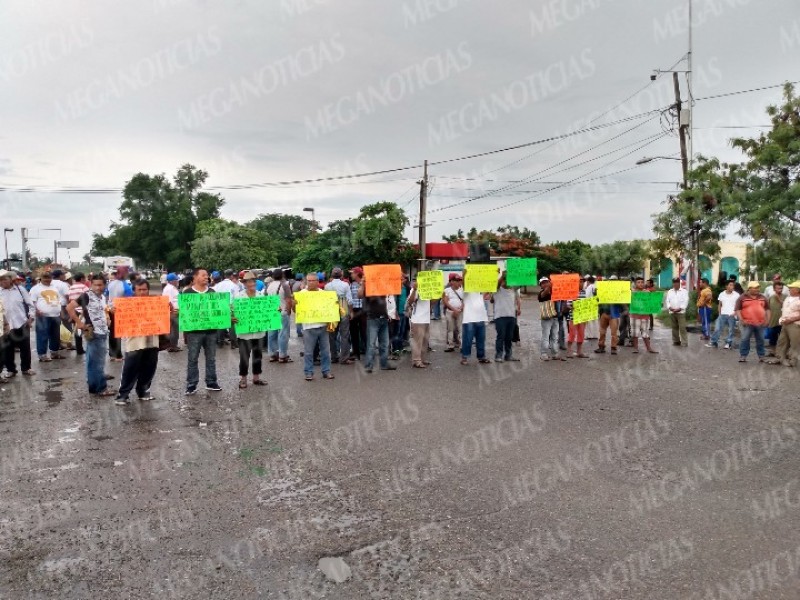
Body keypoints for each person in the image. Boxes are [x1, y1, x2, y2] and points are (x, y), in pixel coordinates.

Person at [66, 274, 114, 397]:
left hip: (102, 331)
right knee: (97, 363)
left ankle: (93, 384)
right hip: (94, 332)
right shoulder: (86, 295)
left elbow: (102, 310)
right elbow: (69, 308)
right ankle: (100, 388)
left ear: (105, 285)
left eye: (101, 285)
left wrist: (107, 317)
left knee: (92, 361)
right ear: (91, 285)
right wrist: (79, 323)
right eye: (95, 285)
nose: (98, 287)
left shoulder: (102, 297)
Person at [114, 279, 160, 406]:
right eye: (139, 290)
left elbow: (164, 317)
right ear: (134, 291)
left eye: (145, 289)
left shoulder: (156, 303)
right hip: (135, 343)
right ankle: (123, 395)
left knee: (149, 368)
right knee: (130, 369)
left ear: (148, 290)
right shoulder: (127, 304)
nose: (142, 292)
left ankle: (143, 391)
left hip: (152, 341)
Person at [182, 268, 222, 395]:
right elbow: (185, 314)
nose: (206, 277)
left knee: (211, 358)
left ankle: (211, 382)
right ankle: (191, 384)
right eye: (203, 275)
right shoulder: (187, 293)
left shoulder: (212, 292)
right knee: (192, 358)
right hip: (194, 332)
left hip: (211, 331)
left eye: (207, 275)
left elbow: (218, 310)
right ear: (195, 277)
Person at [233, 271, 268, 388]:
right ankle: (243, 379)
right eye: (249, 282)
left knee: (258, 355)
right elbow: (232, 311)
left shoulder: (261, 296)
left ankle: (256, 378)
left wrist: (274, 310)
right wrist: (232, 317)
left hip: (259, 332)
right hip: (244, 333)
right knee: (244, 356)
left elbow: (266, 311)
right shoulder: (238, 297)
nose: (251, 283)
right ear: (244, 284)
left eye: (253, 281)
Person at [298, 272, 335, 381]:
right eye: (308, 280)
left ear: (318, 282)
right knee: (308, 352)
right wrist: (294, 304)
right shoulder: (302, 294)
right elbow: (296, 311)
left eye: (313, 280)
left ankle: (326, 371)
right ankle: (308, 372)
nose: (310, 282)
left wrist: (334, 304)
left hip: (323, 326)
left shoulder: (324, 293)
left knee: (326, 352)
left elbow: (329, 309)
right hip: (308, 327)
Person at [358, 273, 397, 374]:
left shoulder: (382, 288)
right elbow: (359, 295)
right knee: (371, 344)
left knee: (384, 343)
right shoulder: (368, 287)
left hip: (384, 318)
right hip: (373, 318)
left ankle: (384, 364)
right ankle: (368, 366)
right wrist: (363, 284)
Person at [0, 270, 35, 377]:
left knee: (25, 347)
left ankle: (26, 368)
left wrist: (31, 318)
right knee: (7, 349)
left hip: (22, 323)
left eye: (4, 279)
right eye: (0, 280)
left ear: (11, 280)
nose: (2, 282)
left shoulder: (21, 290)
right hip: (6, 326)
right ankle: (11, 370)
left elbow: (30, 305)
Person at [30, 271, 66, 361]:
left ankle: (54, 352)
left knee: (56, 335)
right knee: (42, 335)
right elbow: (32, 302)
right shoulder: (35, 289)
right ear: (41, 278)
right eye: (45, 278)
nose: (47, 280)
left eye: (49, 278)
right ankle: (42, 355)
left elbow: (59, 301)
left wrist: (61, 313)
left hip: (56, 315)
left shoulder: (54, 288)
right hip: (43, 316)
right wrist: (36, 311)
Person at [735, 281, 770, 363]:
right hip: (747, 323)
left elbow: (768, 309)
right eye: (755, 288)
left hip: (760, 323)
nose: (757, 289)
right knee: (745, 339)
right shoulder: (742, 297)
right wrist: (742, 320)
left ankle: (761, 356)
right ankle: (743, 356)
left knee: (761, 340)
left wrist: (767, 320)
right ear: (749, 288)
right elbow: (737, 310)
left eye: (758, 287)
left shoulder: (763, 297)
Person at [325, 267, 354, 365]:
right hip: (343, 309)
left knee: (332, 335)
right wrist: (351, 312)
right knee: (344, 335)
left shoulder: (327, 286)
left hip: (331, 311)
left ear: (332, 275)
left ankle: (334, 357)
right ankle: (344, 358)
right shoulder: (345, 285)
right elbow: (349, 300)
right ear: (341, 275)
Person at [768, 280, 800, 367]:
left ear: (797, 290)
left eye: (791, 288)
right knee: (781, 341)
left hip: (795, 324)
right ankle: (779, 358)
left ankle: (793, 360)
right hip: (785, 323)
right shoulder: (788, 298)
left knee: (794, 343)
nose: (789, 289)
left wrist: (792, 319)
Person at [266, 268, 295, 363]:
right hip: (282, 312)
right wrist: (289, 310)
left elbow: (266, 299)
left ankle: (272, 354)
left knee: (271, 334)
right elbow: (288, 300)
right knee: (283, 334)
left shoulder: (269, 285)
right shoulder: (285, 285)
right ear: (282, 275)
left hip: (272, 312)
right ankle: (282, 355)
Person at [492, 272, 521, 362]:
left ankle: (508, 355)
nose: (507, 282)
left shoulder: (513, 290)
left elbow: (524, 282)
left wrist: (532, 274)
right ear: (502, 281)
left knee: (509, 337)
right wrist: (502, 276)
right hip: (500, 317)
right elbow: (497, 284)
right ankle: (498, 355)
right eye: (505, 280)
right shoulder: (497, 290)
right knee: (501, 336)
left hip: (511, 316)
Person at [460, 285, 491, 366]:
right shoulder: (466, 288)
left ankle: (481, 357)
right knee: (467, 339)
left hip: (481, 317)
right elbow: (464, 281)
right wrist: (466, 272)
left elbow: (490, 287)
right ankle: (464, 357)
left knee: (481, 339)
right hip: (469, 318)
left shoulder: (481, 289)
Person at [706, 281, 740, 350]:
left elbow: (739, 305)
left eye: (733, 285)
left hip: (732, 314)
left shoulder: (737, 295)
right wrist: (719, 313)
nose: (732, 287)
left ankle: (728, 343)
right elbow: (720, 304)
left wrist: (735, 313)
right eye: (730, 285)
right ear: (726, 286)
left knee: (730, 330)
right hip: (723, 314)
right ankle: (713, 342)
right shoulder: (722, 294)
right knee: (717, 328)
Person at [630, 276, 659, 355]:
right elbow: (628, 303)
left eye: (642, 282)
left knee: (645, 333)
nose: (640, 284)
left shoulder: (647, 292)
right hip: (634, 316)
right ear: (635, 284)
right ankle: (636, 348)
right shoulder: (632, 293)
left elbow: (652, 303)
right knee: (635, 333)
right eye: (638, 282)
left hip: (645, 316)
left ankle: (649, 348)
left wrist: (657, 303)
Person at [538, 277, 564, 361]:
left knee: (554, 337)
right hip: (546, 318)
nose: (545, 284)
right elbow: (545, 292)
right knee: (546, 336)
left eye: (547, 282)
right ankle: (543, 353)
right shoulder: (541, 294)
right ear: (541, 286)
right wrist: (550, 285)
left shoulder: (555, 292)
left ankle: (555, 353)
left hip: (555, 317)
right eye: (543, 283)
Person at [407, 277, 431, 368]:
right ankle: (416, 360)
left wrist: (437, 294)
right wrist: (415, 289)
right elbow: (410, 301)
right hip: (417, 319)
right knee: (417, 341)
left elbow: (431, 302)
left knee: (425, 340)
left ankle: (422, 359)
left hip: (426, 318)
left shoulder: (429, 289)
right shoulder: (414, 289)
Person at [214, 269, 240, 349]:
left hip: (220, 307)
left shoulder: (217, 285)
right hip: (231, 306)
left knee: (221, 323)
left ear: (224, 276)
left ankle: (220, 342)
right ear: (232, 276)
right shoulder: (234, 286)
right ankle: (233, 343)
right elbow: (237, 298)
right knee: (232, 324)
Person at [106, 268, 127, 361]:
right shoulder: (125, 285)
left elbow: (106, 295)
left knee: (112, 333)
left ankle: (112, 354)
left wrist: (109, 307)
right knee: (118, 333)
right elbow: (130, 300)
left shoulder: (110, 284)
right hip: (120, 312)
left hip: (111, 310)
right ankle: (118, 355)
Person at [442, 273, 464, 352]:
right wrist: (454, 310)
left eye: (459, 280)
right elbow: (445, 301)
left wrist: (459, 310)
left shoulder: (462, 290)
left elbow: (465, 301)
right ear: (451, 281)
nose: (459, 282)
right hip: (450, 311)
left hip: (460, 312)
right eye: (457, 280)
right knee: (450, 329)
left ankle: (462, 345)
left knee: (461, 328)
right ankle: (450, 345)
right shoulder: (446, 290)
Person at [565, 285, 588, 358]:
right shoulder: (571, 292)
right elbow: (568, 304)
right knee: (572, 334)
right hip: (573, 317)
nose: (581, 283)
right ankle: (569, 351)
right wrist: (572, 307)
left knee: (581, 334)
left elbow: (588, 303)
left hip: (583, 316)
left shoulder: (585, 292)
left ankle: (579, 352)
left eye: (582, 281)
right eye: (579, 281)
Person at [665, 277, 689, 347]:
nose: (675, 284)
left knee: (682, 327)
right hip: (672, 312)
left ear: (679, 283)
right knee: (674, 327)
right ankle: (676, 341)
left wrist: (680, 308)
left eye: (677, 282)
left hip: (681, 312)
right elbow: (667, 301)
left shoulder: (684, 291)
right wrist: (670, 307)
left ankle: (684, 342)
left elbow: (686, 301)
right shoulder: (670, 291)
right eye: (674, 282)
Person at [349, 267, 366, 360]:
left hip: (364, 310)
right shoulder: (351, 285)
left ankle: (367, 352)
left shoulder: (365, 284)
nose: (351, 275)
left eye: (352, 273)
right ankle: (356, 353)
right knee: (354, 332)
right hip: (355, 310)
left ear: (356, 273)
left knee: (365, 332)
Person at [161, 273, 182, 351]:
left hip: (174, 311)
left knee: (173, 329)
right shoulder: (169, 289)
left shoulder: (171, 288)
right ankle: (172, 346)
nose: (177, 281)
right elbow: (168, 301)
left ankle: (172, 345)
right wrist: (172, 311)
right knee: (174, 330)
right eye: (176, 280)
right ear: (172, 281)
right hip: (173, 312)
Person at [766, 281, 787, 356]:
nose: (780, 290)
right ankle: (773, 352)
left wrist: (778, 298)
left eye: (781, 288)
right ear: (774, 289)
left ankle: (782, 353)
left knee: (783, 339)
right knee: (772, 338)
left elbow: (786, 307)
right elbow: (767, 309)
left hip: (782, 322)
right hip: (773, 321)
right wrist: (767, 320)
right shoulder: (771, 297)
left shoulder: (786, 297)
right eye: (778, 288)